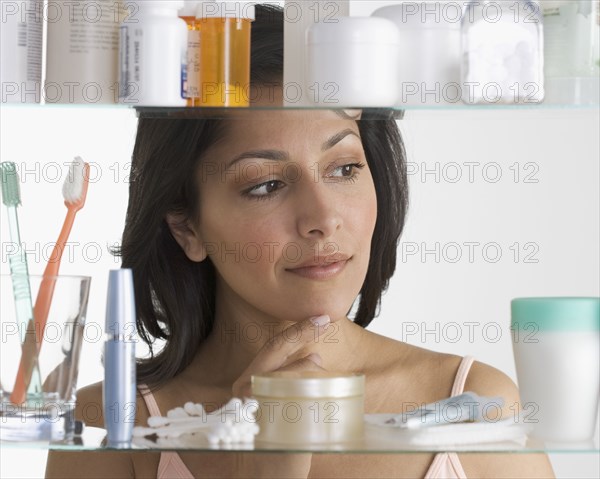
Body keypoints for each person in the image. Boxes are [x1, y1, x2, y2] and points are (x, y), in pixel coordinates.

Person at [46, 5, 554, 478]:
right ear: (188, 227)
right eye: (266, 184)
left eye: (345, 168)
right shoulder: (107, 420)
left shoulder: (472, 402)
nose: (323, 219)